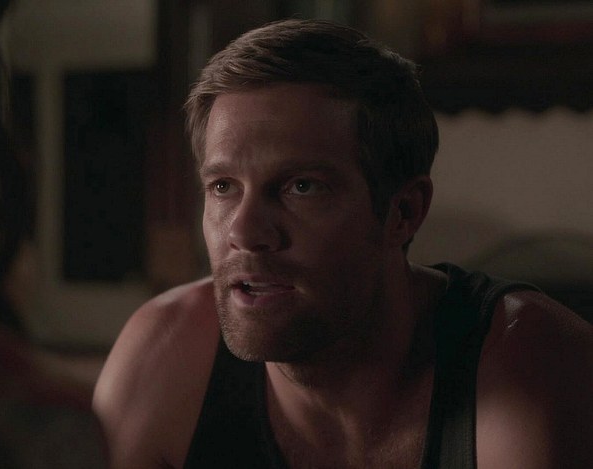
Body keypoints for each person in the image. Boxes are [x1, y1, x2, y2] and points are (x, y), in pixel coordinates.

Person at [92, 19, 593, 469]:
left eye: (301, 187)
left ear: (403, 212)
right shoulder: (165, 356)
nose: (243, 232)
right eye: (223, 187)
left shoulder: (533, 366)